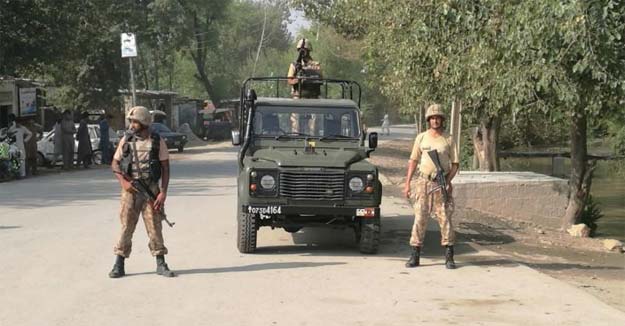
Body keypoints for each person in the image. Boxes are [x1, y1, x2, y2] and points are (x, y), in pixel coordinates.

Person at [109, 106, 174, 278]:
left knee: (155, 227)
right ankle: (119, 264)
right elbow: (115, 164)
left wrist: (163, 192)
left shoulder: (157, 141)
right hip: (130, 190)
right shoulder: (126, 140)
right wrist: (123, 181)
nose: (132, 124)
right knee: (126, 227)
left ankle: (161, 263)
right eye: (131, 121)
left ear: (144, 122)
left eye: (135, 121)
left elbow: (166, 168)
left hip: (151, 190)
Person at [403, 104, 460, 269]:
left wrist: (447, 181)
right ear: (429, 120)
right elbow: (413, 161)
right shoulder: (421, 138)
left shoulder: (448, 139)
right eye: (432, 118)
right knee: (420, 218)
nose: (435, 121)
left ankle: (449, 256)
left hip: (441, 184)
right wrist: (407, 184)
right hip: (423, 183)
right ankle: (415, 255)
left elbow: (455, 164)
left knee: (445, 219)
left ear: (442, 120)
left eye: (438, 118)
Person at [7, 114, 32, 178]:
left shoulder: (21, 128)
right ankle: (18, 174)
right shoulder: (14, 127)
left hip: (18, 145)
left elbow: (30, 134)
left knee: (21, 159)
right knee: (16, 159)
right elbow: (8, 134)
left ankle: (21, 174)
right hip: (14, 146)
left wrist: (25, 141)